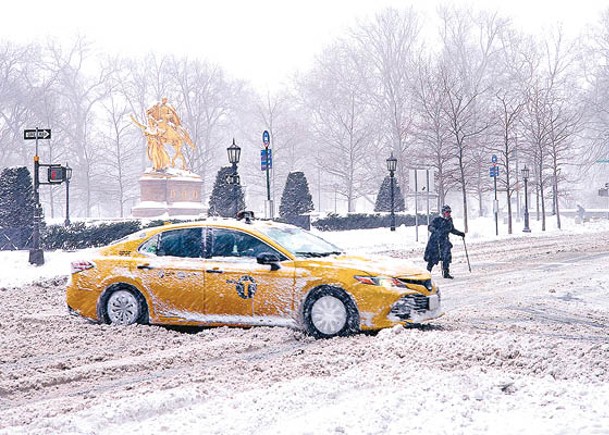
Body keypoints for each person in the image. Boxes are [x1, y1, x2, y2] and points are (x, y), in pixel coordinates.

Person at [424, 205, 465, 279]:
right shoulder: (438, 219)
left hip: (445, 241)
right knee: (433, 258)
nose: (448, 214)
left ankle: (446, 273)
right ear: (443, 212)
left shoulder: (449, 220)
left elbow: (452, 229)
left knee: (446, 257)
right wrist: (435, 231)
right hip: (435, 241)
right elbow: (430, 227)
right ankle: (427, 273)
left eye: (449, 212)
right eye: (447, 212)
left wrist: (460, 233)